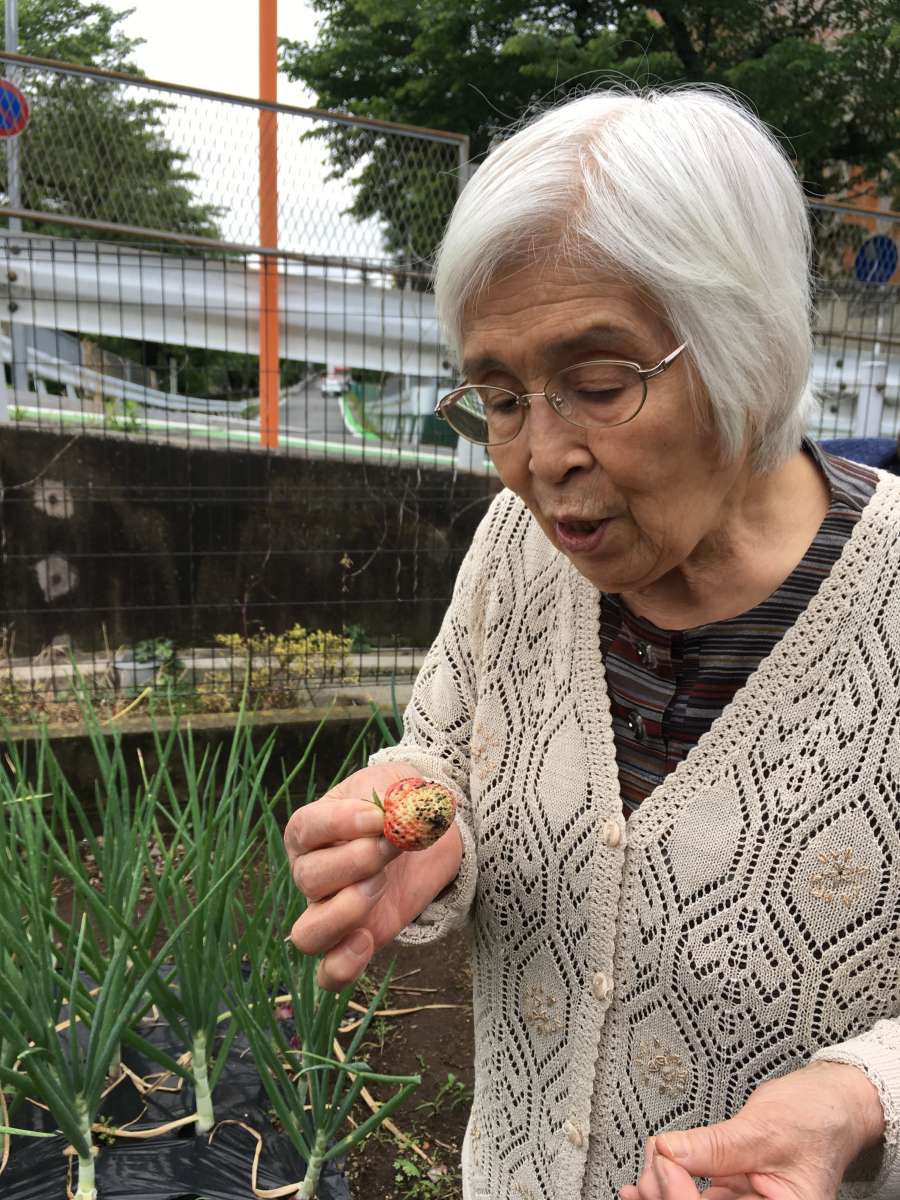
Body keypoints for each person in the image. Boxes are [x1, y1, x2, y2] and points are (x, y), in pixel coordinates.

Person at [284, 87, 900, 1200]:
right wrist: (410, 819)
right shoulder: (516, 552)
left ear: (750, 349)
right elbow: (444, 754)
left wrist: (861, 1097)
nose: (540, 457)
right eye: (500, 398)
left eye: (599, 385)